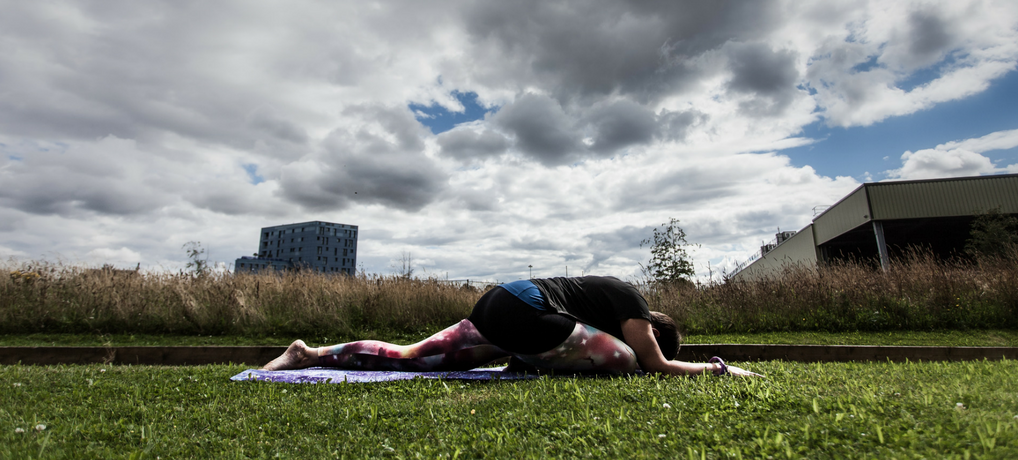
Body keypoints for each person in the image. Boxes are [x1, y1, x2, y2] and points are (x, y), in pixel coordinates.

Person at [263, 276, 762, 377]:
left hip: (497, 306)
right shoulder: (632, 301)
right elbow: (656, 363)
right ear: (650, 323)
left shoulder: (593, 307)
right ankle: (523, 362)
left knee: (411, 356)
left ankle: (307, 353)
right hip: (526, 316)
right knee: (629, 363)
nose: (643, 335)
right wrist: (720, 371)